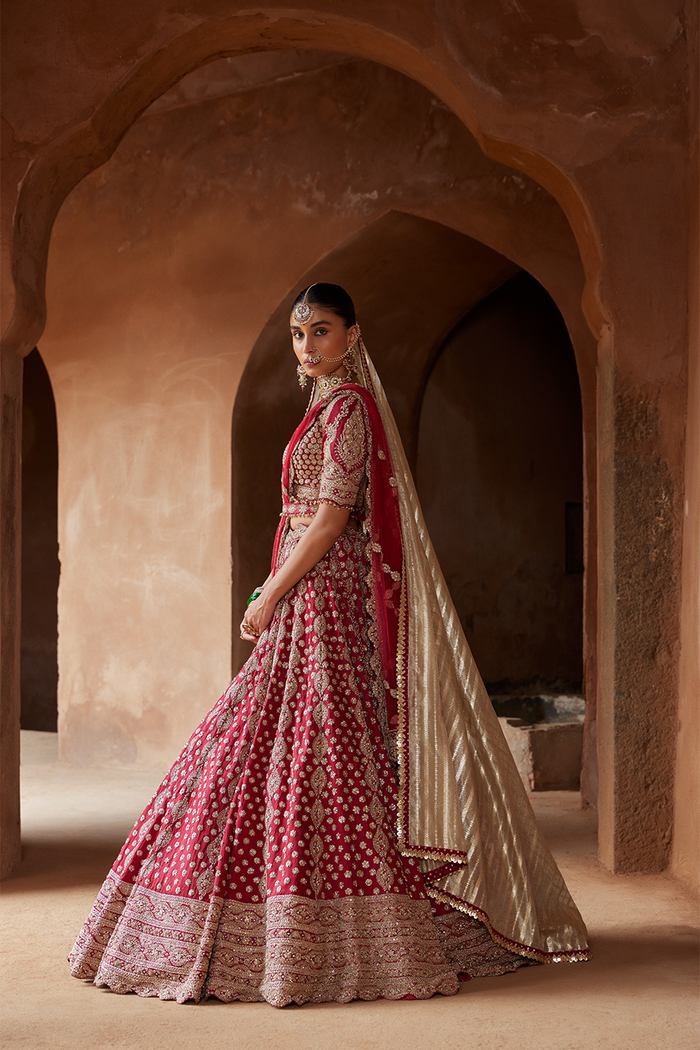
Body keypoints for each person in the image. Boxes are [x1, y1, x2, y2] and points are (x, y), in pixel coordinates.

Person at [69, 283, 589, 1006]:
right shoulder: (325, 407)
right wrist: (274, 585)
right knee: (297, 734)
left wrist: (271, 591)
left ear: (352, 336)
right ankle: (290, 910)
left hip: (321, 592)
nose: (307, 347)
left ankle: (338, 924)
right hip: (305, 588)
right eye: (296, 334)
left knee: (318, 737)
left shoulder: (349, 410)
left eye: (320, 332)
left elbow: (330, 518)